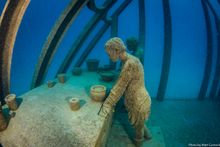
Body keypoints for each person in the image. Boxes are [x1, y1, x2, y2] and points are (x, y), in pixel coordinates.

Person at [99, 37, 151, 146]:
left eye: (109, 54)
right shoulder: (128, 60)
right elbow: (122, 80)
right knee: (140, 124)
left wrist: (106, 106)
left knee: (138, 131)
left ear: (117, 50)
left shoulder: (129, 64)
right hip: (138, 98)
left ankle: (139, 143)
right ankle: (148, 136)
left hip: (138, 101)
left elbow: (119, 88)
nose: (109, 57)